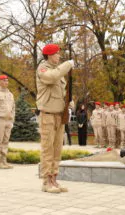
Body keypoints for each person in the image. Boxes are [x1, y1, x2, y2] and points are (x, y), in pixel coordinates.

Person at [36, 43, 74, 193]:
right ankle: (46, 181)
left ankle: (54, 179)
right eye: (57, 54)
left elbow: (63, 93)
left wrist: (69, 104)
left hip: (59, 115)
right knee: (48, 149)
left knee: (57, 149)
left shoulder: (58, 71)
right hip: (48, 115)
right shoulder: (43, 69)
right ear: (50, 56)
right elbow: (51, 78)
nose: (59, 56)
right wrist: (67, 65)